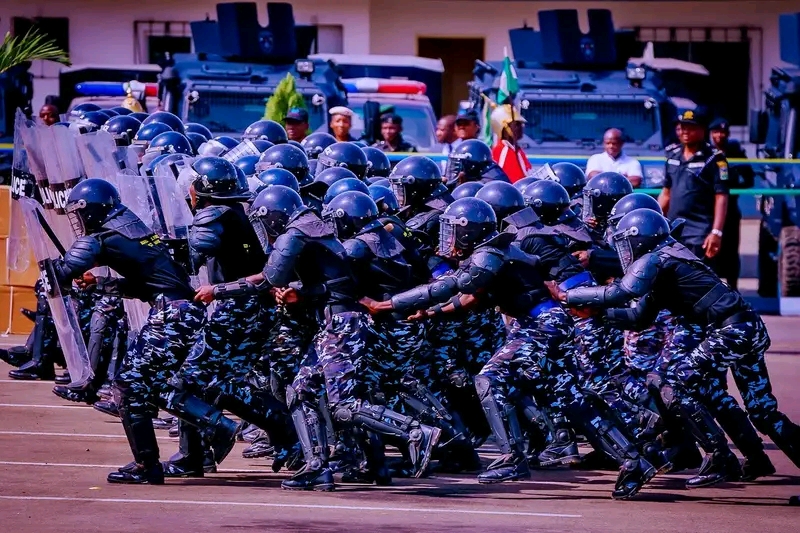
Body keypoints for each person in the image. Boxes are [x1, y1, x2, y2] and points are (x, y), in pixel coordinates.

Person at [52, 179, 241, 484]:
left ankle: (203, 435)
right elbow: (145, 284)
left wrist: (55, 272)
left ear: (92, 210)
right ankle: (158, 459)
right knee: (150, 386)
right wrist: (100, 283)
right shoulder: (132, 231)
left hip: (172, 315)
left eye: (80, 212)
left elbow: (66, 268)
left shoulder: (105, 234)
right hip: (180, 311)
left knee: (128, 386)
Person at [658, 108, 729, 276]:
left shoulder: (714, 158)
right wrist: (656, 219)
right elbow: (666, 193)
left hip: (699, 232)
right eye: (682, 127)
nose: (684, 131)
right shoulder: (672, 156)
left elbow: (721, 197)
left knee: (698, 280)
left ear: (702, 130)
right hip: (674, 230)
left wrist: (716, 232)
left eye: (690, 127)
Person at [708, 117, 754, 290]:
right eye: (716, 132)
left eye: (723, 132)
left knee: (731, 251)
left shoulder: (736, 152)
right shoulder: (706, 151)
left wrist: (729, 188)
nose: (719, 136)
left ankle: (733, 288)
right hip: (709, 210)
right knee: (710, 251)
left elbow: (749, 178)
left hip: (731, 209)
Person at [490, 104, 531, 183]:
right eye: (516, 124)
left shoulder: (516, 149)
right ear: (504, 127)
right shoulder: (502, 151)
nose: (521, 127)